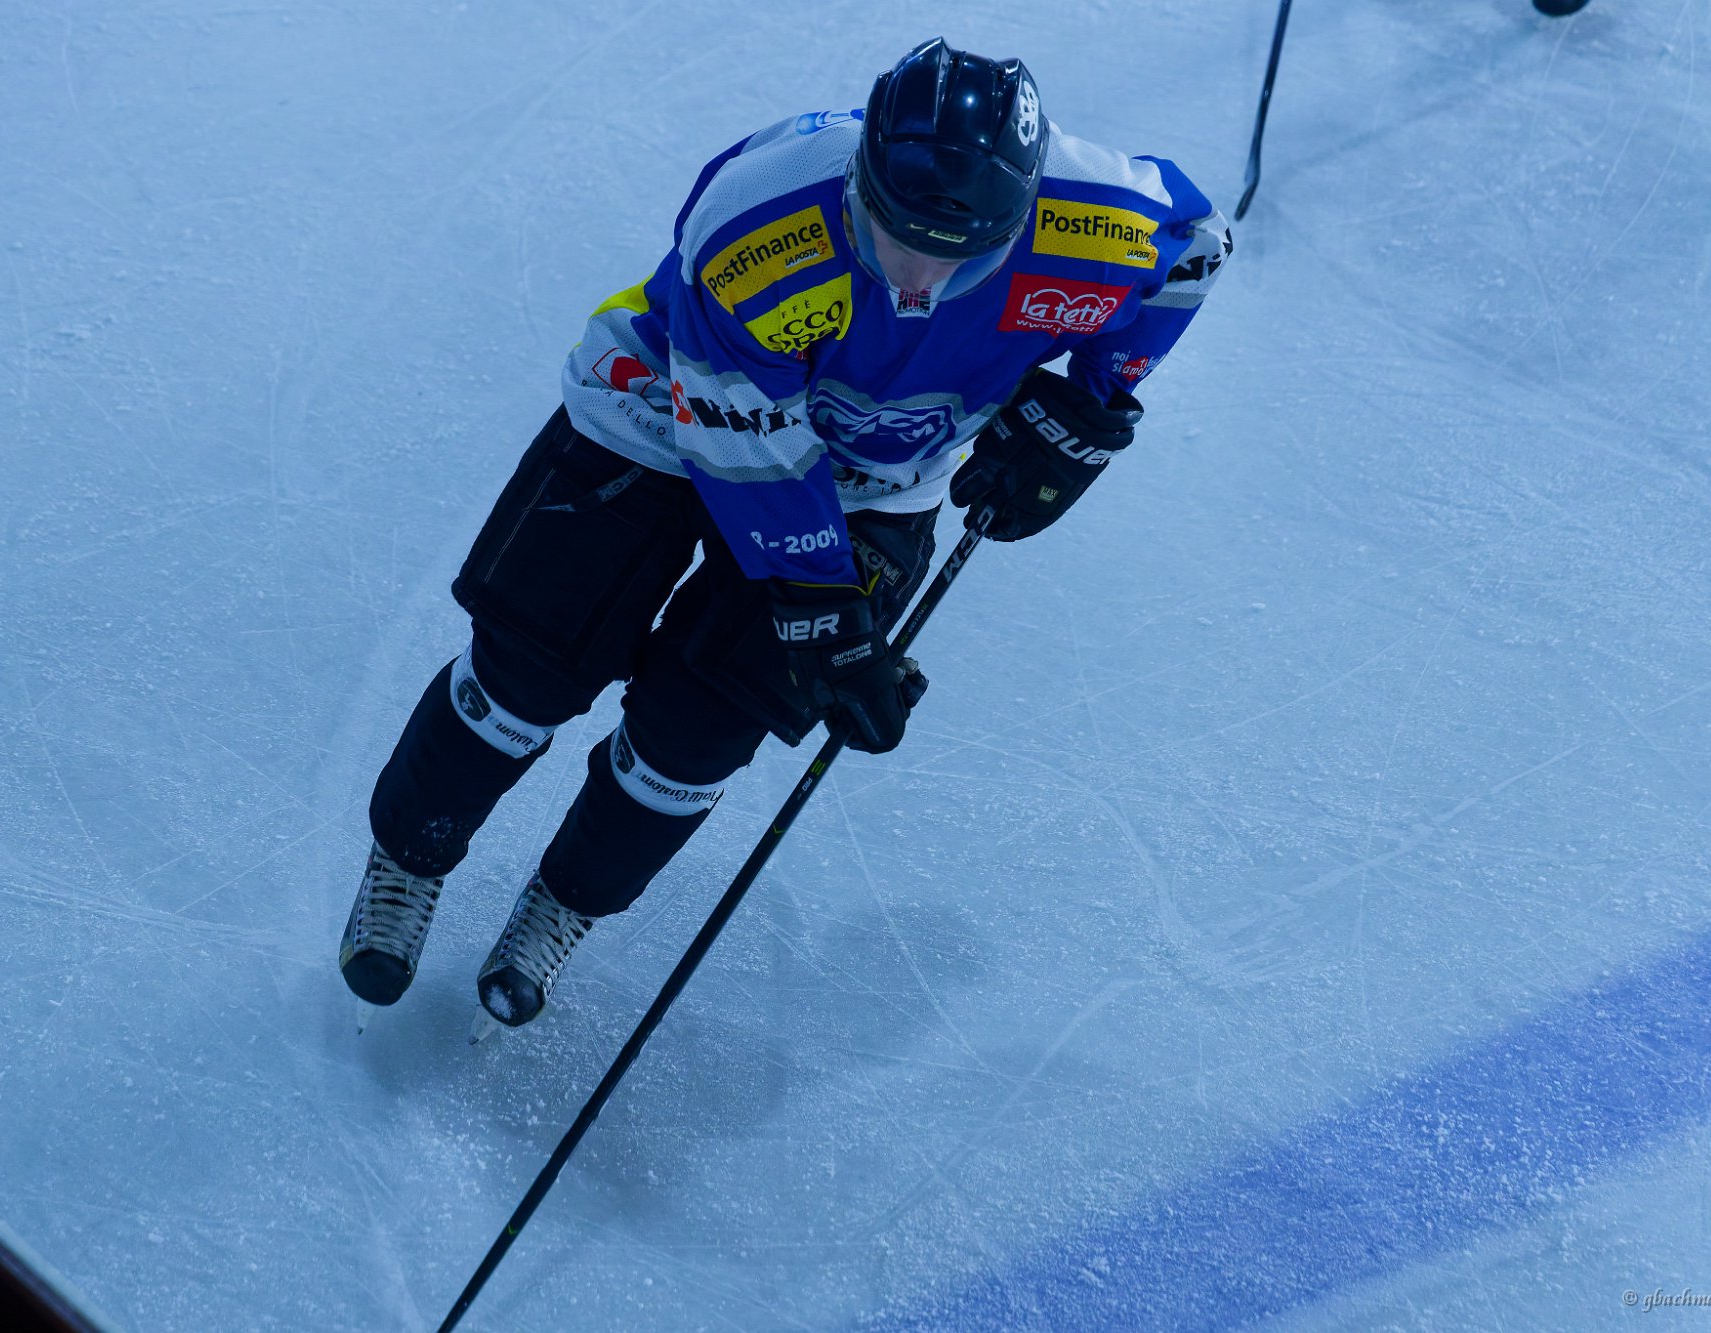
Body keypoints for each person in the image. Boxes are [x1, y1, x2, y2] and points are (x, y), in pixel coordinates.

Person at [338, 37, 1232, 1036]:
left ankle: (564, 903)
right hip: (662, 411)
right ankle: (408, 856)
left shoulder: (1101, 218)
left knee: (702, 732)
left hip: (875, 475)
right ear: (861, 178)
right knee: (531, 666)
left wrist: (1092, 405)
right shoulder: (760, 224)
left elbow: (1197, 247)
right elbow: (743, 445)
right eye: (895, 235)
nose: (918, 276)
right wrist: (824, 610)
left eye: (959, 254)